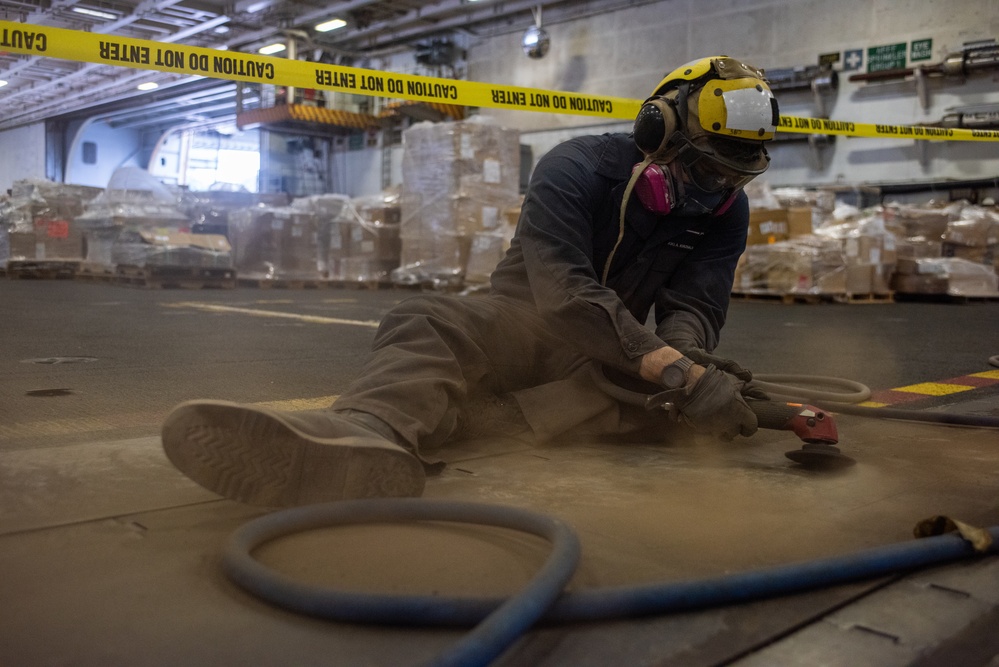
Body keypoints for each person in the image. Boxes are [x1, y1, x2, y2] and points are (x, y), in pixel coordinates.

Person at [162, 56, 780, 507]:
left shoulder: (726, 209)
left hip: (610, 353)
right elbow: (565, 296)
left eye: (731, 178)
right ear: (657, 132)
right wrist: (675, 370)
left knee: (663, 404)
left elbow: (693, 304)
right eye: (703, 170)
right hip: (522, 323)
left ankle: (469, 424)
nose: (714, 191)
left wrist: (694, 368)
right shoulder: (577, 169)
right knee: (427, 320)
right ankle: (367, 432)